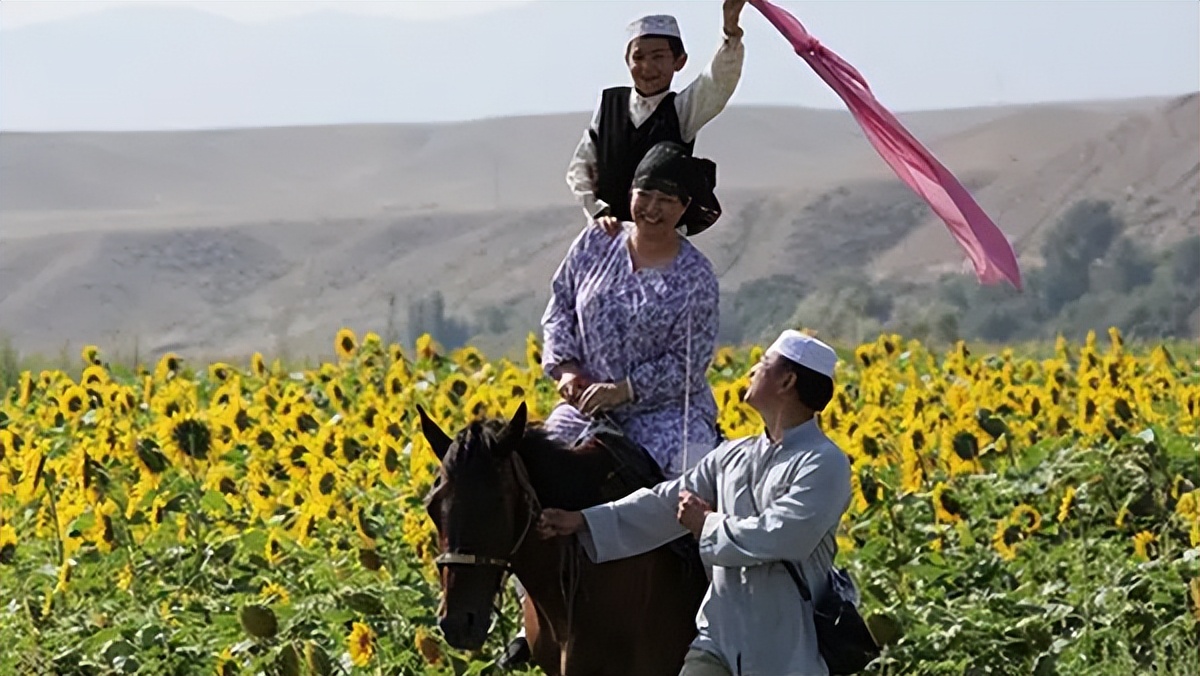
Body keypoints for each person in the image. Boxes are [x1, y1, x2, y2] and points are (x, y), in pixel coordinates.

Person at [498, 141, 724, 670]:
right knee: (526, 478)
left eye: (668, 199)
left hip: (666, 411)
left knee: (693, 486)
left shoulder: (696, 277)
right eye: (646, 193)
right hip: (584, 405)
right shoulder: (594, 245)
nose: (653, 207)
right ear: (630, 193)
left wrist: (626, 390)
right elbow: (558, 313)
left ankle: (714, 613)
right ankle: (526, 616)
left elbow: (690, 362)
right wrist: (568, 371)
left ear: (685, 209)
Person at [538, 329, 854, 676]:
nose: (752, 370)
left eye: (764, 363)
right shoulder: (733, 455)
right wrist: (585, 521)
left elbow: (784, 534)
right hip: (717, 638)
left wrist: (707, 525)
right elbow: (666, 502)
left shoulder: (824, 462)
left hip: (784, 648)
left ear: (787, 381)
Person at [567, 2, 747, 236]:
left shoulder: (681, 111)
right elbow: (580, 167)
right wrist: (599, 212)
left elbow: (717, 83)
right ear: (627, 60)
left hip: (661, 241)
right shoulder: (609, 104)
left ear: (679, 61)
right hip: (607, 237)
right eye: (638, 57)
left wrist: (730, 32)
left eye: (658, 57)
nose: (647, 66)